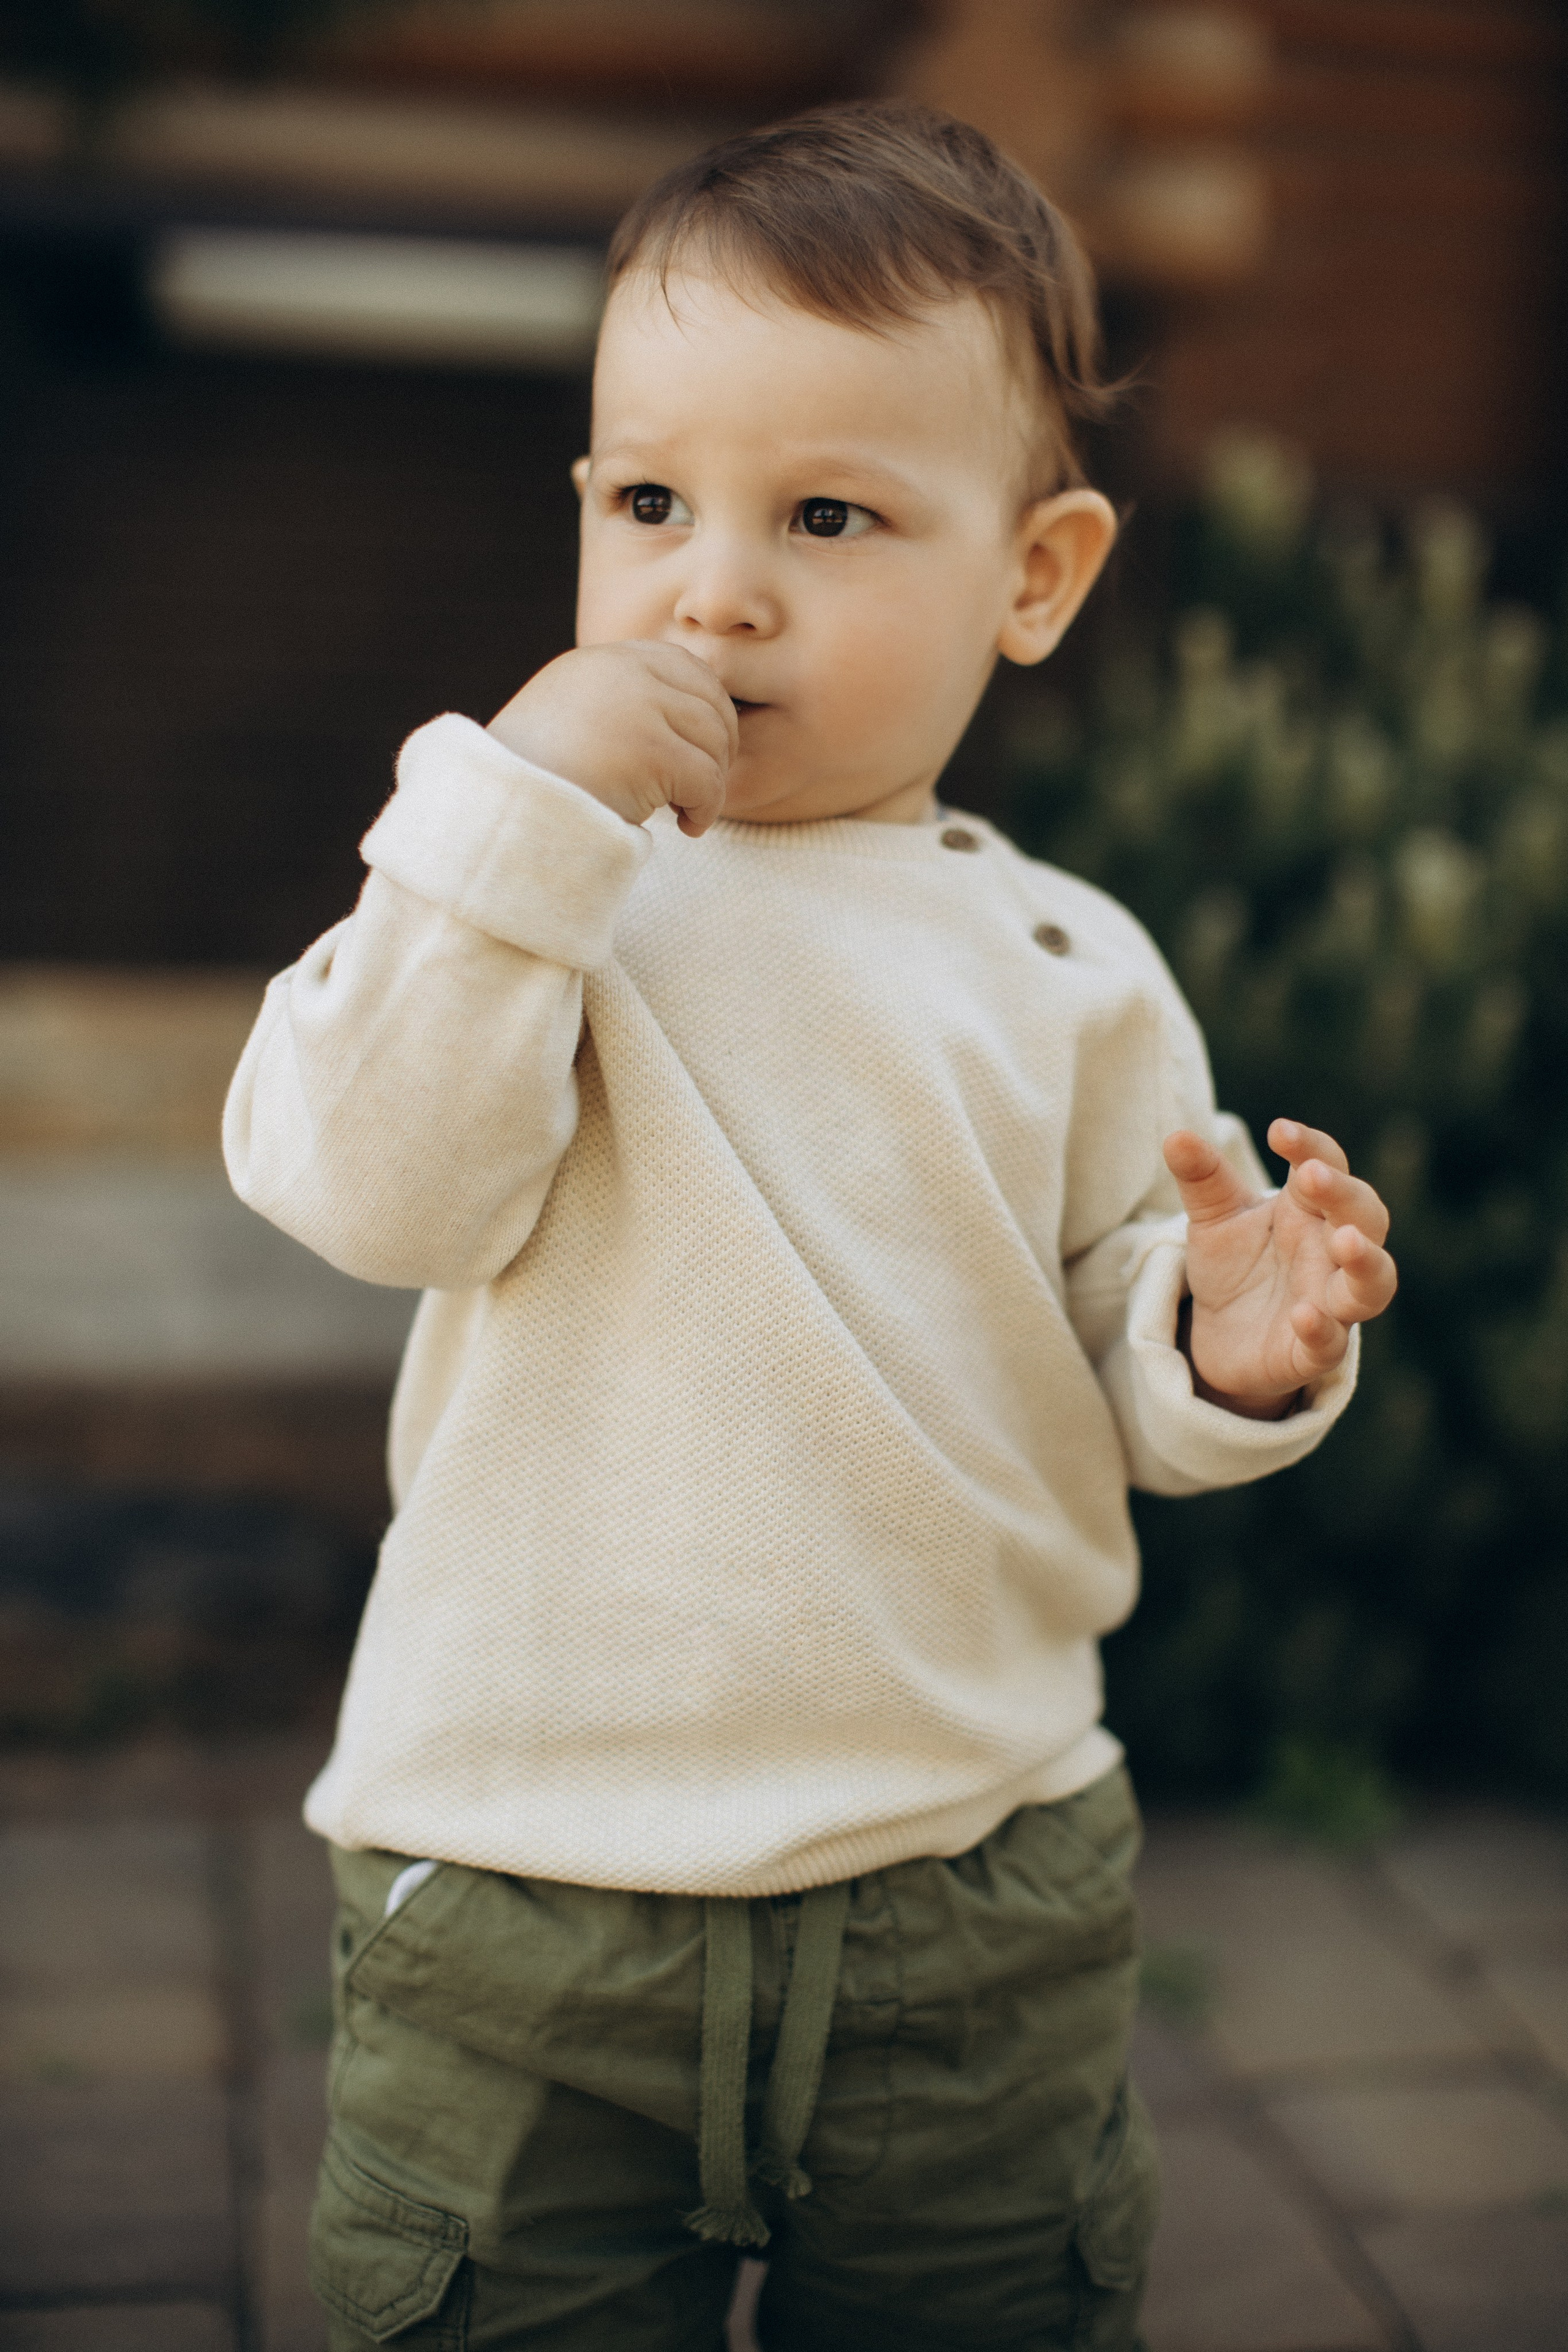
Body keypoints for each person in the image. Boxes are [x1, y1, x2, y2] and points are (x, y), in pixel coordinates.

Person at [224, 100, 1398, 2352]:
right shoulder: (529, 891)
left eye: (828, 515)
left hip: (972, 1886)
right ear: (586, 511)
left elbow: (1108, 1332)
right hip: (528, 1892)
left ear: (1033, 578)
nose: (716, 590)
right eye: (651, 504)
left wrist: (1220, 1343)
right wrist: (512, 815)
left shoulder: (1070, 964)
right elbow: (366, 1186)